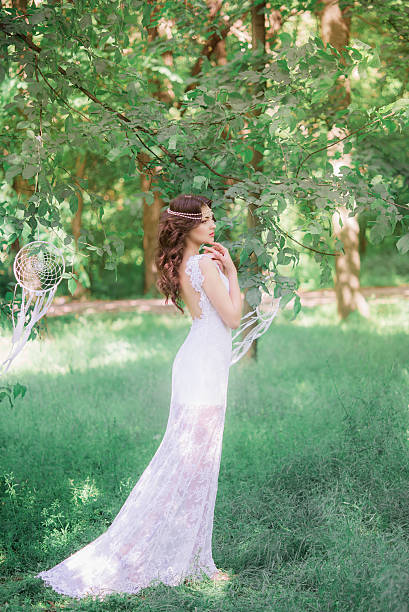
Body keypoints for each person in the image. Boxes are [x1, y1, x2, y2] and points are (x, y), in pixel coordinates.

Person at [36, 194, 242, 600]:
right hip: (201, 371)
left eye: (213, 217)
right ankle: (182, 558)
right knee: (192, 467)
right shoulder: (203, 263)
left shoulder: (187, 262)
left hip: (198, 364)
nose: (214, 224)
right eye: (206, 219)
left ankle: (194, 558)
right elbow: (233, 319)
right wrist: (232, 272)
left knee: (195, 466)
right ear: (187, 226)